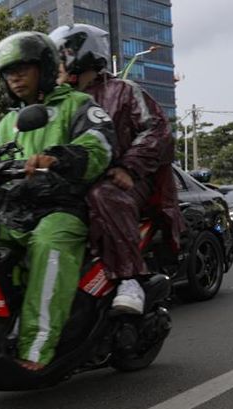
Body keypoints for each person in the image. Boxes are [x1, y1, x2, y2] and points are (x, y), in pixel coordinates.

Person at [0, 31, 115, 371]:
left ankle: (35, 351)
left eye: (22, 69)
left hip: (63, 208)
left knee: (47, 244)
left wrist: (57, 157)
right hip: (17, 211)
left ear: (42, 68)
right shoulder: (7, 123)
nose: (14, 77)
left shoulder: (77, 105)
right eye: (8, 72)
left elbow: (100, 146)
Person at [49, 23, 182, 315]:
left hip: (125, 183)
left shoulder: (123, 91)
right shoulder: (54, 102)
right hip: (72, 186)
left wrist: (129, 167)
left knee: (103, 193)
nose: (54, 66)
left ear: (81, 55)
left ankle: (130, 280)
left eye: (60, 57)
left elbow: (157, 132)